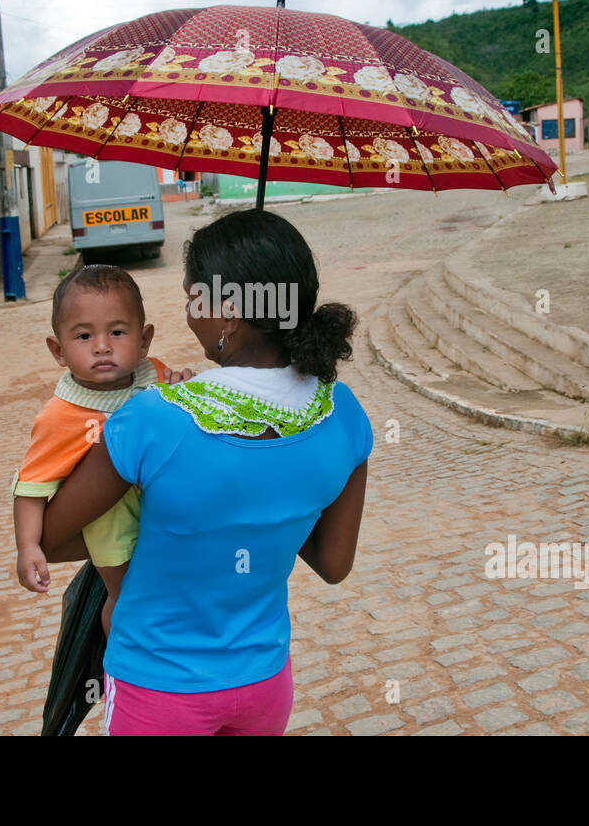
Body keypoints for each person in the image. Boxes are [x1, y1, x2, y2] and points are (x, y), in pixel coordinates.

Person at [40, 208, 373, 736]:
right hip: (264, 684)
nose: (188, 312)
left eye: (193, 296)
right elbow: (333, 562)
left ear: (230, 315)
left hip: (158, 689)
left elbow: (51, 541)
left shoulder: (153, 420)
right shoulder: (345, 414)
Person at [12, 264, 192, 634]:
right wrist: (28, 546)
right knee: (127, 595)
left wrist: (187, 387)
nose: (102, 346)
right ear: (58, 350)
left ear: (144, 340)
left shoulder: (155, 376)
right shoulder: (60, 415)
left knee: (172, 589)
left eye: (118, 331)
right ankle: (120, 663)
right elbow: (30, 487)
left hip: (165, 516)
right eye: (83, 336)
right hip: (111, 529)